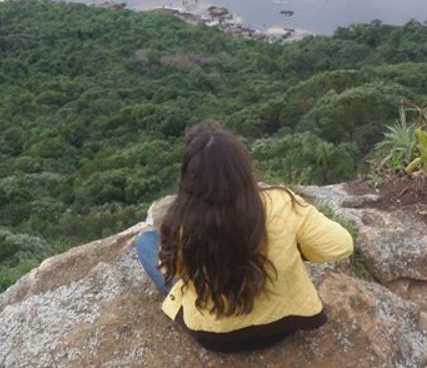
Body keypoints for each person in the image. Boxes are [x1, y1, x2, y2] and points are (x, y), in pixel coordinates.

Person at [135, 122, 354, 352]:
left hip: (214, 337)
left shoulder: (180, 224)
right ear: (243, 168)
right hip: (281, 327)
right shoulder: (282, 204)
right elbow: (342, 244)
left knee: (146, 242)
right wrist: (294, 246)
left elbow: (177, 272)